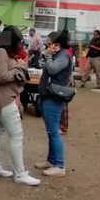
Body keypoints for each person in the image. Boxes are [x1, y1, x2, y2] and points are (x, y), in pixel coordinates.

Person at [0, 26, 41, 186]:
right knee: (16, 136)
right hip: (5, 100)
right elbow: (2, 76)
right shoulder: (1, 52)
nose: (20, 45)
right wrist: (19, 68)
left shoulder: (1, 52)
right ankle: (19, 173)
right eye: (18, 42)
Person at [35, 30, 72, 178]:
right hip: (47, 95)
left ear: (57, 44)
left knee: (53, 132)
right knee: (51, 131)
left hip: (54, 97)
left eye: (49, 43)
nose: (47, 46)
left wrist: (48, 56)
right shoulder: (57, 55)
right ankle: (51, 160)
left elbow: (52, 69)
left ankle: (59, 165)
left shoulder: (63, 56)